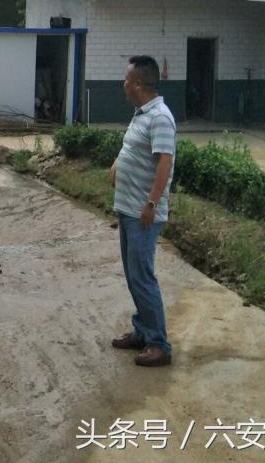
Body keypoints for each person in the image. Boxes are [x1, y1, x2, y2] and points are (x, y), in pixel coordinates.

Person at [109, 55, 176, 368]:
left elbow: (165, 161)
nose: (122, 84)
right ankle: (143, 330)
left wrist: (151, 202)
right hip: (128, 210)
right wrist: (117, 164)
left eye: (126, 79)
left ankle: (158, 344)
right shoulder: (141, 113)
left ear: (137, 83)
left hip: (142, 214)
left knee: (143, 277)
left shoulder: (160, 117)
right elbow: (132, 148)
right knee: (134, 277)